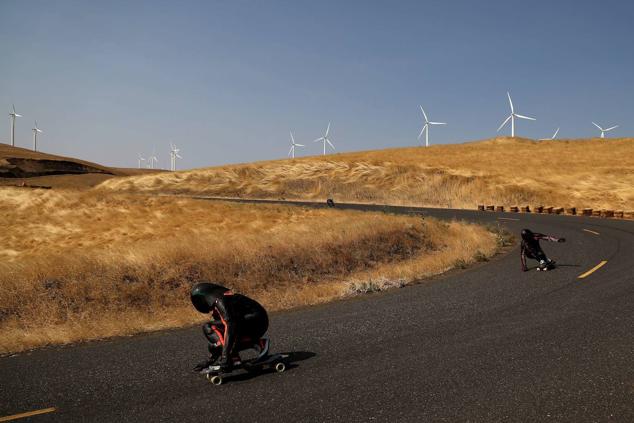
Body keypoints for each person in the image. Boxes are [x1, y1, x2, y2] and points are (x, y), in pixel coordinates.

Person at [191, 282, 269, 372]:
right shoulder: (218, 303)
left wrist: (225, 358)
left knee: (208, 327)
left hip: (257, 322)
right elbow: (223, 336)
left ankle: (230, 357)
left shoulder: (220, 300)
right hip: (250, 323)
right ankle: (256, 345)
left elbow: (231, 327)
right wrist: (210, 360)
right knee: (214, 345)